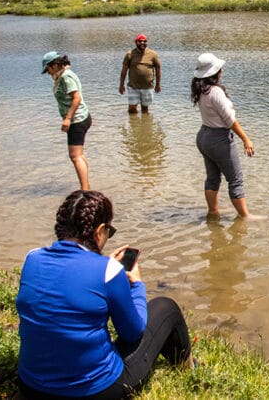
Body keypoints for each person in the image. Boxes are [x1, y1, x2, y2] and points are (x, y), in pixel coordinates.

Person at [16, 190, 192, 399]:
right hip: (96, 391)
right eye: (110, 230)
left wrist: (104, 266)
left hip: (31, 387)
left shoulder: (32, 258)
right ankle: (188, 370)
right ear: (99, 230)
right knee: (166, 307)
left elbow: (70, 280)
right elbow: (133, 332)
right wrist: (136, 285)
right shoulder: (108, 270)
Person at [191, 53, 255, 218]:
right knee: (235, 180)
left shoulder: (201, 89)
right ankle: (245, 217)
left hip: (203, 136)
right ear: (215, 72)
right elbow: (229, 120)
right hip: (218, 139)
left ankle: (213, 212)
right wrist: (246, 139)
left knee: (212, 177)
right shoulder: (215, 92)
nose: (222, 71)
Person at [42, 51, 92, 190]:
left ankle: (85, 191)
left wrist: (68, 119)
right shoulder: (63, 75)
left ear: (56, 65)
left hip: (77, 120)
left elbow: (77, 98)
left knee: (75, 156)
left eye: (48, 69)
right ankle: (86, 185)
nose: (48, 72)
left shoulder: (66, 77)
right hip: (81, 118)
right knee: (79, 155)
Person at [119, 34, 161, 114]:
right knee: (132, 109)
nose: (142, 43)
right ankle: (134, 122)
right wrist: (121, 85)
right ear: (136, 42)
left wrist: (158, 84)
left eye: (144, 41)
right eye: (140, 41)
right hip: (133, 87)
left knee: (145, 110)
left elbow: (158, 69)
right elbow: (124, 71)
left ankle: (142, 125)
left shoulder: (153, 54)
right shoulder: (129, 54)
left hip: (147, 86)